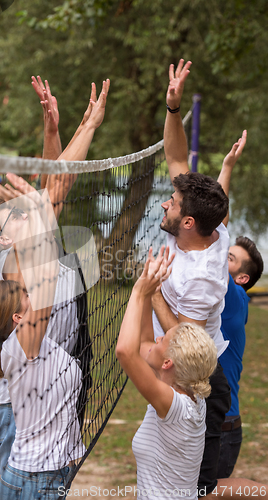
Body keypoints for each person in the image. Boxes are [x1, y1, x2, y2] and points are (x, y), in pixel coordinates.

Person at [0, 80, 109, 499]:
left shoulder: (36, 245)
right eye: (11, 217)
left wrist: (54, 132)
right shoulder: (12, 262)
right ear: (5, 242)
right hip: (23, 406)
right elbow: (52, 195)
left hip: (53, 389)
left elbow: (52, 192)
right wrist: (87, 128)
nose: (23, 213)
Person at [155, 59, 268, 499]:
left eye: (172, 201)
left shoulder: (203, 276)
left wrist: (149, 293)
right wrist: (173, 107)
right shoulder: (211, 233)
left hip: (203, 379)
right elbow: (176, 156)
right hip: (185, 374)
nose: (165, 201)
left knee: (200, 490)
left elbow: (184, 338)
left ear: (187, 222)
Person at [116, 247, 218, 500]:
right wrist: (152, 293)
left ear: (167, 364)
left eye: (163, 340)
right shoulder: (192, 392)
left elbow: (126, 352)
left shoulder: (174, 407)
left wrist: (139, 291)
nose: (158, 337)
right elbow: (142, 345)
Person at [216, 137, 264, 478]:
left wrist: (227, 169)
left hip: (222, 426)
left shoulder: (234, 296)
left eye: (230, 258)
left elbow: (218, 227)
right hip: (213, 420)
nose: (222, 257)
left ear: (242, 277)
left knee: (202, 493)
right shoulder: (222, 293)